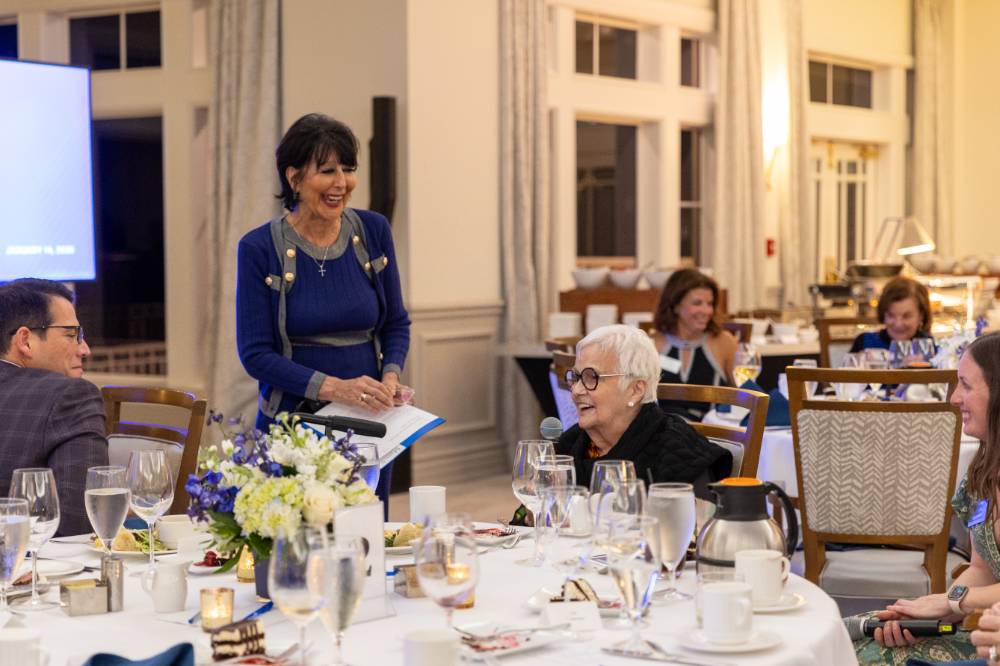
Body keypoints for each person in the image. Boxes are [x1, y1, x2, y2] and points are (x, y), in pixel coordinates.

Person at [236, 113, 410, 510]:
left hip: (369, 425)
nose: (341, 183)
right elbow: (255, 354)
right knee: (298, 553)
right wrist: (336, 388)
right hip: (293, 429)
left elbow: (396, 323)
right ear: (294, 177)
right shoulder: (259, 248)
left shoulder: (373, 231)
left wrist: (391, 375)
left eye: (348, 170)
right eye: (327, 171)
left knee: (367, 542)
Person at [852, 331, 1000, 665]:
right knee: (864, 642)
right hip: (982, 627)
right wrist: (930, 617)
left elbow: (964, 596)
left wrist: (950, 603)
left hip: (990, 639)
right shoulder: (983, 475)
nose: (953, 398)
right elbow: (982, 567)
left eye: (965, 384)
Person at [555, 325, 732, 499]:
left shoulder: (678, 453)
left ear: (635, 390)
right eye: (576, 378)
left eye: (591, 377)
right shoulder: (571, 445)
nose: (576, 391)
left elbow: (695, 525)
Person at [0, 279, 108, 536]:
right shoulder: (72, 396)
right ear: (25, 340)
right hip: (32, 569)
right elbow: (81, 524)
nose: (85, 349)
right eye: (72, 335)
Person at [650, 268, 737, 420]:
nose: (706, 311)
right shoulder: (651, 345)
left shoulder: (724, 342)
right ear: (675, 305)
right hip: (662, 436)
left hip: (710, 437)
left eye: (710, 304)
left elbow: (745, 396)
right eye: (697, 303)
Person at [849, 276, 934, 354]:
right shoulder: (864, 343)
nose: (898, 324)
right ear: (883, 314)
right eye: (891, 315)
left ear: (921, 316)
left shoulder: (929, 348)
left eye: (906, 316)